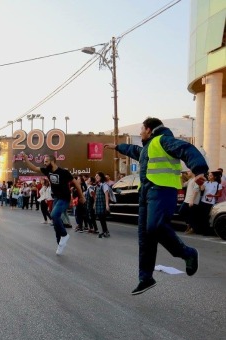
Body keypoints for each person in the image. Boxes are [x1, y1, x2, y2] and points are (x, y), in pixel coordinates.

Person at [105, 117, 208, 295]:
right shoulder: (148, 148)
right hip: (146, 193)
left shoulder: (163, 140)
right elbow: (134, 150)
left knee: (155, 227)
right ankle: (145, 278)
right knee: (145, 237)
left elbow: (186, 149)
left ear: (149, 129)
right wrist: (117, 147)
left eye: (142, 128)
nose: (140, 132)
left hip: (162, 190)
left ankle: (187, 253)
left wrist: (198, 170)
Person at [23, 153, 85, 255]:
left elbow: (76, 183)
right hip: (56, 198)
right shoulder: (47, 170)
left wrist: (81, 196)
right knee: (56, 222)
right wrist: (26, 159)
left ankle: (64, 235)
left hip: (64, 198)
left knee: (54, 215)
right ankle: (60, 244)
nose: (45, 163)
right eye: (44, 162)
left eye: (46, 162)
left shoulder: (63, 172)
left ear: (52, 161)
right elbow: (34, 168)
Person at [94, 172, 111, 238]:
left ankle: (105, 231)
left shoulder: (104, 185)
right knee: (100, 218)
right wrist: (95, 204)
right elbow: (96, 196)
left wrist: (107, 205)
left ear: (101, 177)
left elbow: (106, 195)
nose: (96, 177)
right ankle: (104, 231)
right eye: (95, 176)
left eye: (97, 176)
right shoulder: (97, 185)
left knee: (102, 218)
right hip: (98, 203)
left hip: (102, 203)